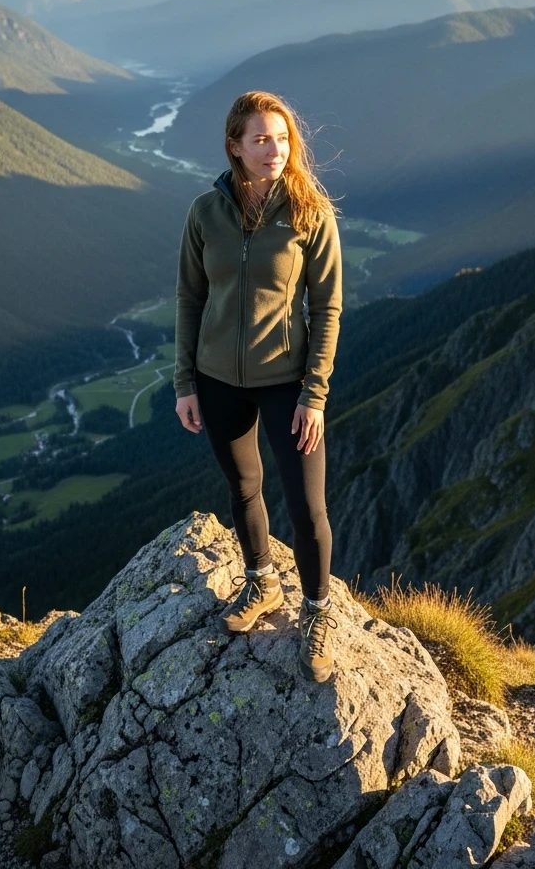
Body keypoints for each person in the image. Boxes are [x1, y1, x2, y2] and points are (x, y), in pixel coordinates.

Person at [174, 90, 343, 682]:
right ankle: (262, 580)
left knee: (305, 506)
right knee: (244, 488)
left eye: (282, 138)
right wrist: (184, 381)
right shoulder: (204, 213)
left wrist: (314, 394)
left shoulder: (310, 213)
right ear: (235, 147)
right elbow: (191, 298)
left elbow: (327, 309)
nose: (275, 149)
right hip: (217, 380)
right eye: (261, 139)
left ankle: (318, 612)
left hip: (286, 382)